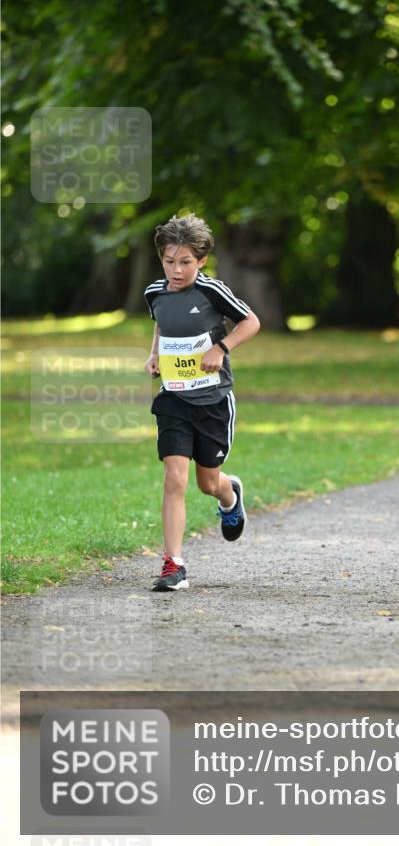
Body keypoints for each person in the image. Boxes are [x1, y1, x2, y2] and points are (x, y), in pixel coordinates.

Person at [144, 214, 260, 591]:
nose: (176, 271)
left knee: (207, 482)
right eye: (169, 261)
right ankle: (173, 564)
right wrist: (155, 355)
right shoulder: (154, 293)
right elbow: (162, 324)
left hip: (212, 402)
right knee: (174, 477)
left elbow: (251, 322)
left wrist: (221, 347)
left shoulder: (212, 291)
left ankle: (230, 495)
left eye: (185, 263)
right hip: (174, 399)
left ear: (201, 260)